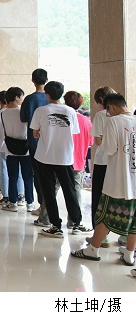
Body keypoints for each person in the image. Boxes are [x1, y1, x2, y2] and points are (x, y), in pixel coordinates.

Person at [71, 93, 136, 263]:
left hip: (118, 180)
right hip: (134, 180)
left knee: (104, 215)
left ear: (111, 107)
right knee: (134, 219)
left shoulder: (114, 121)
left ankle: (93, 249)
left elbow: (109, 150)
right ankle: (129, 254)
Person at [31, 81, 89, 238]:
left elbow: (35, 133)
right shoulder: (70, 111)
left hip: (44, 157)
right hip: (65, 157)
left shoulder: (40, 111)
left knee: (49, 192)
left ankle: (55, 226)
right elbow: (73, 132)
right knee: (70, 190)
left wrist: (45, 132)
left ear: (47, 95)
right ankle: (76, 223)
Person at [0, 87, 35, 213]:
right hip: (25, 148)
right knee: (27, 177)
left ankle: (13, 202)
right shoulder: (23, 111)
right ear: (16, 98)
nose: (22, 99)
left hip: (10, 148)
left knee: (12, 176)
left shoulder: (2, 113)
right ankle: (30, 203)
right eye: (21, 97)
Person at [87, 86, 117, 247]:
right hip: (119, 163)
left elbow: (98, 141)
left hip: (103, 162)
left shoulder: (101, 115)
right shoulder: (124, 116)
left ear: (100, 101)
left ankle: (101, 236)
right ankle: (124, 235)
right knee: (119, 197)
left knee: (99, 198)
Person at [20, 68, 50, 216]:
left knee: (37, 174)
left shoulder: (29, 99)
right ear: (47, 80)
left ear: (32, 81)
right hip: (50, 142)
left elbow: (23, 118)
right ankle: (49, 206)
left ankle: (42, 205)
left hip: (34, 141)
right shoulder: (51, 99)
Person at [63, 90, 93, 226]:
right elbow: (91, 142)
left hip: (61, 160)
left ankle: (46, 217)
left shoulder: (61, 118)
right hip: (79, 162)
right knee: (76, 192)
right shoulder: (86, 121)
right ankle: (74, 221)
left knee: (53, 189)